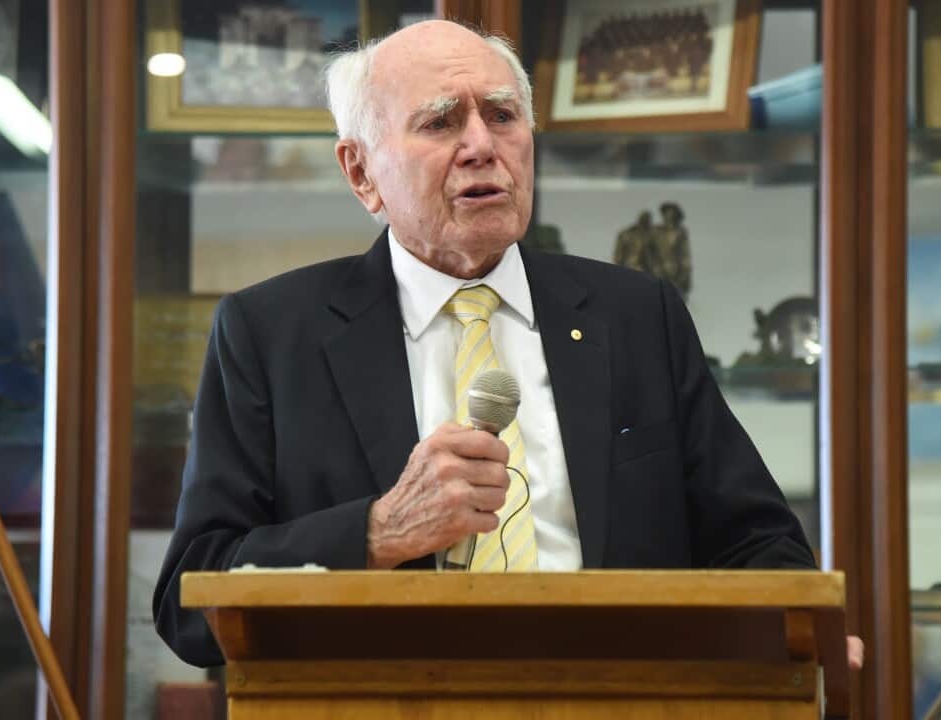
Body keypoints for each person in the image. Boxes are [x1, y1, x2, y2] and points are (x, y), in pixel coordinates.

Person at [153, 20, 862, 671]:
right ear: (362, 173)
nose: (481, 145)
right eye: (440, 122)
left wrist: (801, 633)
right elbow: (191, 600)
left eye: (501, 115)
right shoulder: (271, 333)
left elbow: (757, 543)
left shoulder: (635, 315)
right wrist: (377, 532)